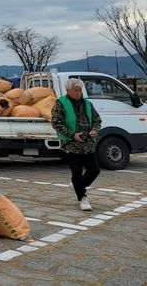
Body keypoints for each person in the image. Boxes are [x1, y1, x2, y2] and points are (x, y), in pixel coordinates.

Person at [51, 78, 102, 211]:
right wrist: (72, 134)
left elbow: (97, 120)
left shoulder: (88, 104)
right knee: (77, 172)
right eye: (76, 90)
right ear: (68, 90)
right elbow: (56, 123)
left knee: (94, 170)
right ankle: (82, 198)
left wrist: (94, 130)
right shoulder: (61, 103)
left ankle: (77, 186)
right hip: (71, 143)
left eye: (80, 90)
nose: (79, 93)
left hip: (88, 143)